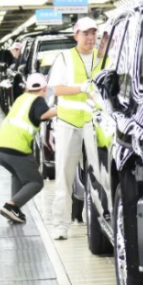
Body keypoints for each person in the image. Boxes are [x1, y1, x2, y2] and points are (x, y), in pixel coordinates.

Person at [47, 17, 103, 240]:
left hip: (95, 124)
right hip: (68, 123)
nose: (90, 37)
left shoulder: (102, 58)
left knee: (100, 174)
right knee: (64, 175)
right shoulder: (65, 58)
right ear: (76, 35)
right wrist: (81, 88)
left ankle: (100, 220)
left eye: (93, 33)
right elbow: (56, 89)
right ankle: (60, 225)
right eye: (85, 33)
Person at [0, 73, 56, 224]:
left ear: (26, 88)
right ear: (44, 89)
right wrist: (61, 110)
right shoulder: (38, 100)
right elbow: (42, 115)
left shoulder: (21, 99)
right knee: (36, 182)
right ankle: (10, 206)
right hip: (16, 149)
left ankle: (15, 211)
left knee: (17, 175)